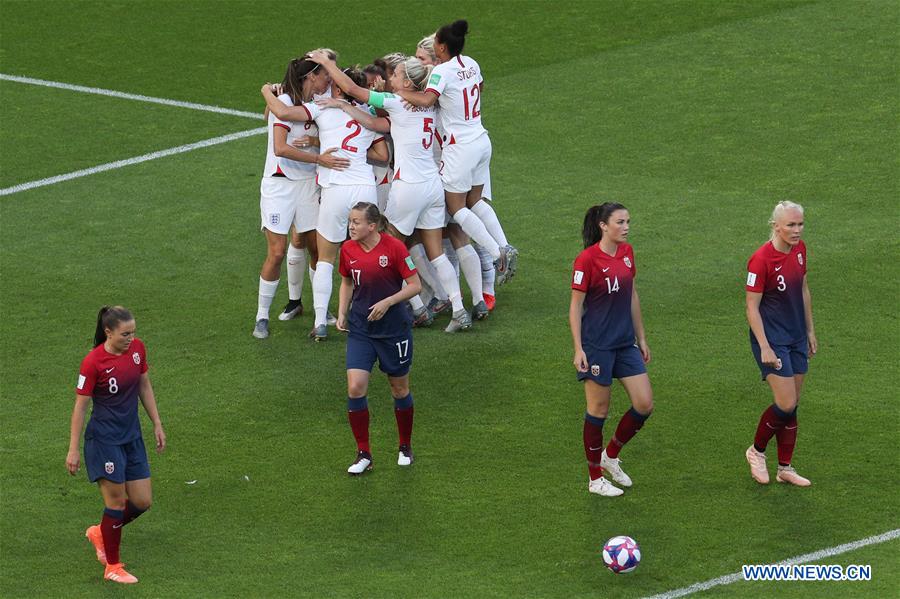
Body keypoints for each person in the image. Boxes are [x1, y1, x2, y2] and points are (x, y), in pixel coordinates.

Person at [309, 51, 473, 332]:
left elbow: (352, 89)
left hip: (408, 188)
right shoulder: (428, 105)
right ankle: (459, 310)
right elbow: (376, 124)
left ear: (408, 83)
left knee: (385, 249)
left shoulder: (395, 102)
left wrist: (327, 63)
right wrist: (344, 107)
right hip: (433, 186)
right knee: (436, 253)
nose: (389, 77)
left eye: (396, 75)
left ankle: (403, 307)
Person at [262, 66, 390, 341]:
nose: (329, 86)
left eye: (335, 83)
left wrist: (265, 91)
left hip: (335, 189)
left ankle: (321, 322)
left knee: (326, 259)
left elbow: (282, 113)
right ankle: (372, 312)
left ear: (342, 88)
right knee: (369, 253)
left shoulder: (321, 108)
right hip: (365, 188)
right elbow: (382, 155)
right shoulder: (368, 115)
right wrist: (354, 150)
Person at [394, 20, 518, 285]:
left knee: (455, 206)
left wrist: (401, 94)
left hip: (460, 146)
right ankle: (505, 245)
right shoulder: (471, 63)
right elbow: (479, 88)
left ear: (440, 46)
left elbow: (427, 100)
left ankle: (498, 254)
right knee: (475, 201)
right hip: (481, 138)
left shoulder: (442, 73)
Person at [66, 306, 166, 584]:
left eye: (133, 332)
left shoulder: (137, 350)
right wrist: (73, 449)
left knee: (143, 501)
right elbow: (80, 407)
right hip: (104, 441)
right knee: (117, 501)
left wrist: (156, 422)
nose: (130, 338)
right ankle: (112, 566)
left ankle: (101, 532)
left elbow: (144, 386)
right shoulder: (93, 362)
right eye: (125, 334)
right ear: (108, 332)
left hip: (131, 437)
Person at [254, 56, 349, 339]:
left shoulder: (317, 103)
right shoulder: (282, 100)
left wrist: (316, 148)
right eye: (323, 76)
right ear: (310, 77)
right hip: (279, 185)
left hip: (308, 183)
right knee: (277, 251)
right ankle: (261, 317)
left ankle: (322, 309)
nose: (328, 81)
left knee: (317, 249)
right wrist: (319, 158)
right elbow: (280, 148)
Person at [569, 203, 653, 497]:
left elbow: (632, 295)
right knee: (598, 410)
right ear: (603, 226)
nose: (627, 226)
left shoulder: (627, 254)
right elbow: (575, 306)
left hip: (624, 342)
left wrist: (641, 337)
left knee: (644, 404)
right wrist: (578, 348)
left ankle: (611, 455)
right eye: (620, 222)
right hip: (597, 346)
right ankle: (595, 479)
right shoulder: (587, 260)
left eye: (628, 221)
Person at [337, 203, 422, 473]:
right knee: (355, 388)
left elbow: (415, 285)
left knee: (399, 389)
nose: (351, 226)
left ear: (372, 226)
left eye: (356, 222)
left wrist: (387, 302)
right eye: (350, 221)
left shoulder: (395, 248)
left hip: (393, 331)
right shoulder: (347, 249)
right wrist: (341, 312)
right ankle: (363, 454)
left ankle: (405, 446)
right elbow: (347, 281)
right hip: (361, 329)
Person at [744, 201, 817, 487]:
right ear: (776, 225)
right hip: (772, 339)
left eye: (800, 224)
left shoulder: (800, 250)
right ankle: (756, 451)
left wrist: (810, 330)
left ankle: (785, 467)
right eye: (790, 225)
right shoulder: (760, 260)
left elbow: (803, 288)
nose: (796, 230)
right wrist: (764, 346)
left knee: (793, 404)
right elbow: (751, 307)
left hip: (797, 335)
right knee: (784, 403)